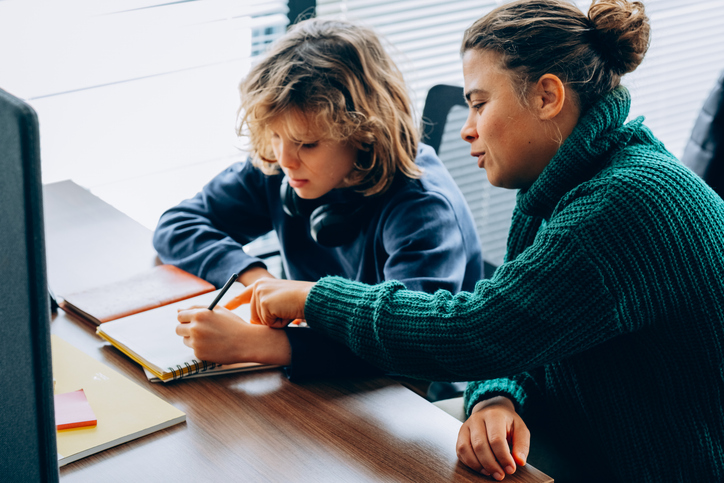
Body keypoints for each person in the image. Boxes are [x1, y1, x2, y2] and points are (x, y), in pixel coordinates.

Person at [228, 1, 724, 481]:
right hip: (586, 433)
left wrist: (314, 297)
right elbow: (522, 332)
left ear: (548, 96)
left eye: (479, 103)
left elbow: (476, 331)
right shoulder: (563, 186)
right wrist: (496, 397)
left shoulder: (622, 204)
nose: (466, 130)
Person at [154, 18, 484, 380]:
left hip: (396, 398)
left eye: (307, 144)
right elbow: (177, 224)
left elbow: (412, 346)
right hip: (312, 372)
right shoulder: (283, 166)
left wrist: (254, 345)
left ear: (364, 133)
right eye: (276, 136)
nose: (285, 158)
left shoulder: (423, 208)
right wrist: (257, 278)